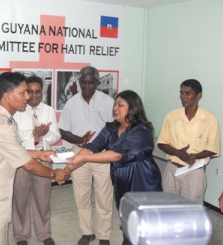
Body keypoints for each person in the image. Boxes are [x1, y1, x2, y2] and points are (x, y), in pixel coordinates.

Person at [0, 72, 67, 245]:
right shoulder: (1, 124)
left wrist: (39, 153)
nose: (27, 97)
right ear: (7, 96)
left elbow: (14, 149)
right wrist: (55, 174)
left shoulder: (0, 117)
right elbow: (29, 165)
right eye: (23, 93)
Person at [66, 90, 162, 245]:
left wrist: (82, 157)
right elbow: (94, 145)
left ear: (133, 108)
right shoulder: (111, 128)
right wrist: (70, 167)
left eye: (120, 104)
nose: (115, 108)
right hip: (121, 177)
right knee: (126, 216)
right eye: (115, 104)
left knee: (144, 221)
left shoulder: (142, 130)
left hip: (141, 178)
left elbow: (116, 155)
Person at [58, 66, 114, 245]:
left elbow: (114, 129)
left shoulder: (107, 101)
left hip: (101, 154)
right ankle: (87, 232)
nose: (87, 85)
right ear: (79, 82)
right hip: (78, 152)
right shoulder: (71, 103)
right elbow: (63, 130)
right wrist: (79, 139)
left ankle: (104, 235)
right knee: (81, 195)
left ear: (98, 82)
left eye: (91, 82)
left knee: (103, 196)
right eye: (83, 82)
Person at [12, 75, 61, 245]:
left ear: (42, 92)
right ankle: (21, 236)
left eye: (37, 92)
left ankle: (44, 233)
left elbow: (55, 138)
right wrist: (33, 134)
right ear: (25, 92)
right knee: (20, 200)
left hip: (44, 158)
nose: (34, 96)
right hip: (22, 161)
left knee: (43, 200)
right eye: (30, 92)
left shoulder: (48, 110)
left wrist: (46, 133)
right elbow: (12, 138)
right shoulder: (16, 109)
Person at [157, 79, 220, 203]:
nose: (183, 97)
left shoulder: (209, 119)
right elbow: (161, 142)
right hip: (172, 169)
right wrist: (177, 152)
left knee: (192, 211)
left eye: (188, 93)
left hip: (194, 172)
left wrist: (194, 155)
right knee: (168, 206)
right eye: (181, 93)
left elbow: (213, 148)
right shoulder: (171, 116)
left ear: (198, 96)